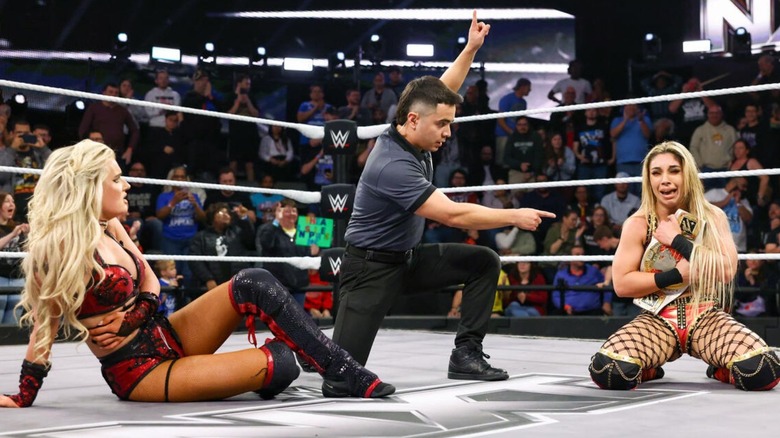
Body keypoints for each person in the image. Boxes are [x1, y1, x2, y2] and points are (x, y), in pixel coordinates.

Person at [0, 140, 394, 408]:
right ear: (88, 187)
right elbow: (43, 327)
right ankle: (305, 354)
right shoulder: (59, 249)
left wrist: (134, 317)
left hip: (167, 332)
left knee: (253, 280)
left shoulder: (109, 225)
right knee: (283, 361)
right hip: (140, 372)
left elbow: (151, 281)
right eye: (116, 179)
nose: (128, 184)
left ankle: (341, 369)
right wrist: (23, 394)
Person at [332, 12, 555, 381]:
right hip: (369, 270)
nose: (448, 133)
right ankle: (301, 351)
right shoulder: (391, 164)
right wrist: (513, 216)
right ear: (415, 121)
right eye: (443, 124)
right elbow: (453, 216)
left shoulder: (414, 123)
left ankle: (466, 355)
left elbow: (439, 92)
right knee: (341, 375)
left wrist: (470, 48)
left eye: (450, 123)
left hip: (408, 259)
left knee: (484, 261)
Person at [588, 141, 780, 391]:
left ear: (687, 173)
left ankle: (721, 369)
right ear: (648, 179)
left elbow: (726, 270)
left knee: (763, 370)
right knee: (608, 371)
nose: (665, 180)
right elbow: (622, 285)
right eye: (656, 172)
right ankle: (649, 368)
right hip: (658, 319)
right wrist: (676, 275)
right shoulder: (637, 223)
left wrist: (677, 241)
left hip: (706, 315)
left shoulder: (713, 216)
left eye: (673, 170)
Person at [0, 192, 27, 324]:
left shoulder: (16, 226)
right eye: (7, 201)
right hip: (1, 277)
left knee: (12, 324)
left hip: (18, 278)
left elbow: (27, 251)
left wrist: (29, 235)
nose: (12, 204)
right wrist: (12, 234)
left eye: (13, 201)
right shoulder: (14, 230)